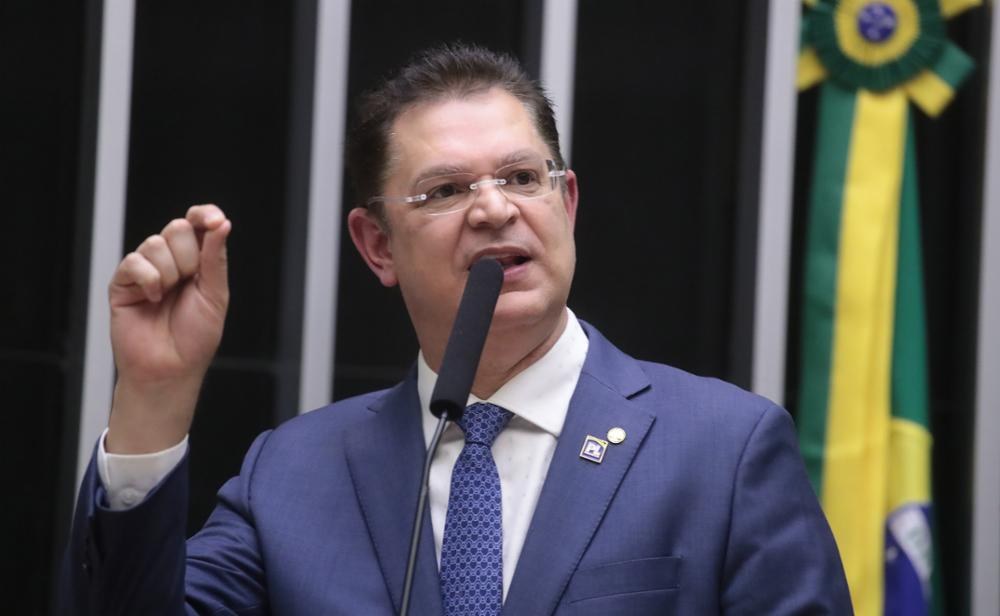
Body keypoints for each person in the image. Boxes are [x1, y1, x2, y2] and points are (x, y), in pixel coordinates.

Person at [60, 44, 851, 615]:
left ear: (567, 203)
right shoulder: (293, 476)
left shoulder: (723, 450)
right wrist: (153, 397)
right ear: (377, 246)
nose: (495, 208)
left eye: (522, 177)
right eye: (445, 190)